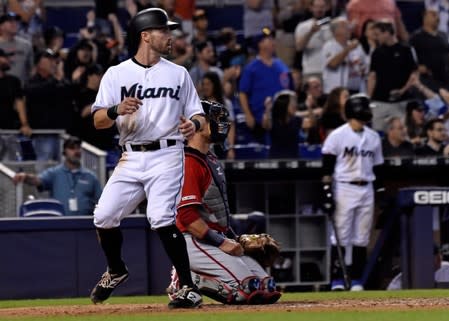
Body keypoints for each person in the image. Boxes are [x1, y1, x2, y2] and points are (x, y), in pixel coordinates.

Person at [89, 8, 205, 309]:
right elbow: (98, 120)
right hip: (130, 156)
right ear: (145, 35)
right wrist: (116, 109)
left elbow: (199, 114)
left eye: (169, 31)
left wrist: (193, 124)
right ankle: (116, 270)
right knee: (104, 216)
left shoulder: (178, 73)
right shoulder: (116, 74)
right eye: (164, 31)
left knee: (161, 218)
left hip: (167, 153)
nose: (170, 36)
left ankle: (188, 288)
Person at [167, 100, 282, 305]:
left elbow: (216, 211)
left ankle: (192, 276)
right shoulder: (187, 161)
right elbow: (187, 217)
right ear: (196, 124)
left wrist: (234, 240)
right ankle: (185, 279)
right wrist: (222, 243)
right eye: (214, 119)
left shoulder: (210, 158)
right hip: (191, 240)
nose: (221, 124)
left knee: (265, 287)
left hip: (212, 238)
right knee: (247, 288)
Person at [321, 94, 384, 291]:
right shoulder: (338, 135)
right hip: (344, 187)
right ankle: (338, 279)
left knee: (361, 236)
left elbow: (378, 168)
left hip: (366, 187)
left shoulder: (373, 137)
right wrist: (326, 192)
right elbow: (327, 168)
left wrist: (380, 193)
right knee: (340, 235)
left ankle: (357, 280)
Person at [12, 136, 102, 216]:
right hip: (60, 224)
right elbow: (38, 180)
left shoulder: (90, 176)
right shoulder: (54, 173)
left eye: (78, 148)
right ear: (64, 152)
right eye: (72, 148)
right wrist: (25, 177)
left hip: (84, 225)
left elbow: (101, 201)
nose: (76, 151)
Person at [239, 27, 293, 144]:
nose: (272, 41)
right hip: (259, 119)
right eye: (268, 39)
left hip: (281, 118)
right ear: (260, 44)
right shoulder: (251, 68)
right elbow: (243, 92)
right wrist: (248, 115)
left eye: (272, 39)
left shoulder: (281, 65)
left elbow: (289, 89)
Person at [367, 20, 418, 132]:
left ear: (387, 33)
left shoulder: (406, 50)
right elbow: (372, 77)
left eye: (378, 34)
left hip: (401, 101)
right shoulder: (377, 52)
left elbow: (414, 74)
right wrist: (369, 99)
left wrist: (402, 90)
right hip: (379, 101)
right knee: (377, 133)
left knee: (401, 132)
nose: (376, 37)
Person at [294, 0, 332, 79]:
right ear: (311, 8)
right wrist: (311, 32)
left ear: (327, 8)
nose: (319, 9)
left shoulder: (332, 26)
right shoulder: (303, 26)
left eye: (322, 7)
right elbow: (299, 47)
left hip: (330, 70)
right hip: (311, 69)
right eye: (317, 7)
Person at [262, 90, 301, 159]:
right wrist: (267, 109)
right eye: (293, 103)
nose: (295, 105)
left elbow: (312, 123)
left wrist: (309, 107)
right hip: (275, 159)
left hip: (294, 159)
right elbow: (266, 125)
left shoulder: (297, 120)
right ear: (284, 104)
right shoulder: (273, 120)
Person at [0, 12, 33, 85]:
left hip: (20, 90)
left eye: (16, 21)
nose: (14, 24)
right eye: (10, 21)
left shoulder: (26, 45)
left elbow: (31, 69)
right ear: (1, 26)